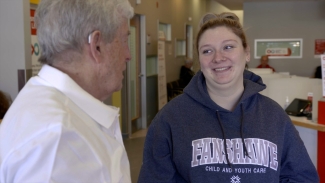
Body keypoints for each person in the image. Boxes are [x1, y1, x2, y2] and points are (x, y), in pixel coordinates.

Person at [138, 12, 319, 182]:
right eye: (207, 51)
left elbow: (302, 177)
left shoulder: (273, 116)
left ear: (246, 53)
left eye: (228, 47)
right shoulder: (171, 118)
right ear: (199, 59)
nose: (218, 57)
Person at [0, 0, 134, 182]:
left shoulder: (51, 109)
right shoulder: (58, 141)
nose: (128, 55)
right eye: (124, 40)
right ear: (97, 46)